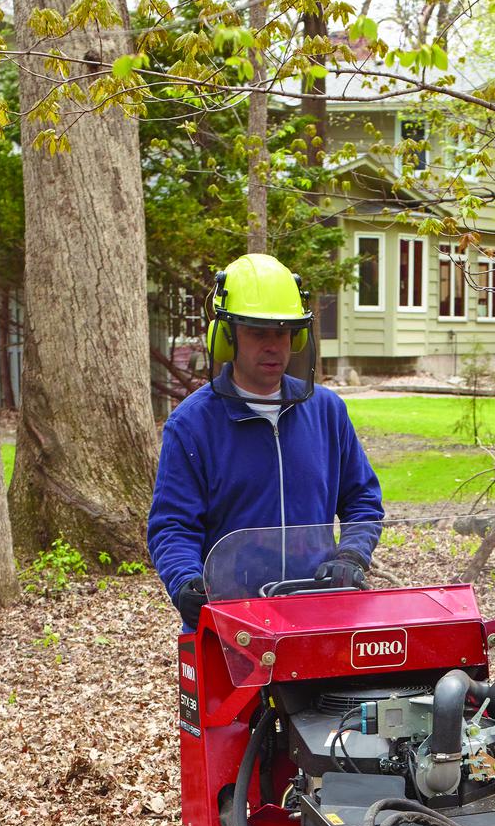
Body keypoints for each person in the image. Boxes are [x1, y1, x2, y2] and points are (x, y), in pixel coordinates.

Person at [148, 253, 384, 627]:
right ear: (227, 337)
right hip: (231, 617)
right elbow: (173, 525)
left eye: (283, 332)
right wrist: (186, 582)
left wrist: (351, 556)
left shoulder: (326, 411)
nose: (273, 345)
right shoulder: (193, 424)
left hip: (315, 609)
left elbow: (362, 500)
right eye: (258, 332)